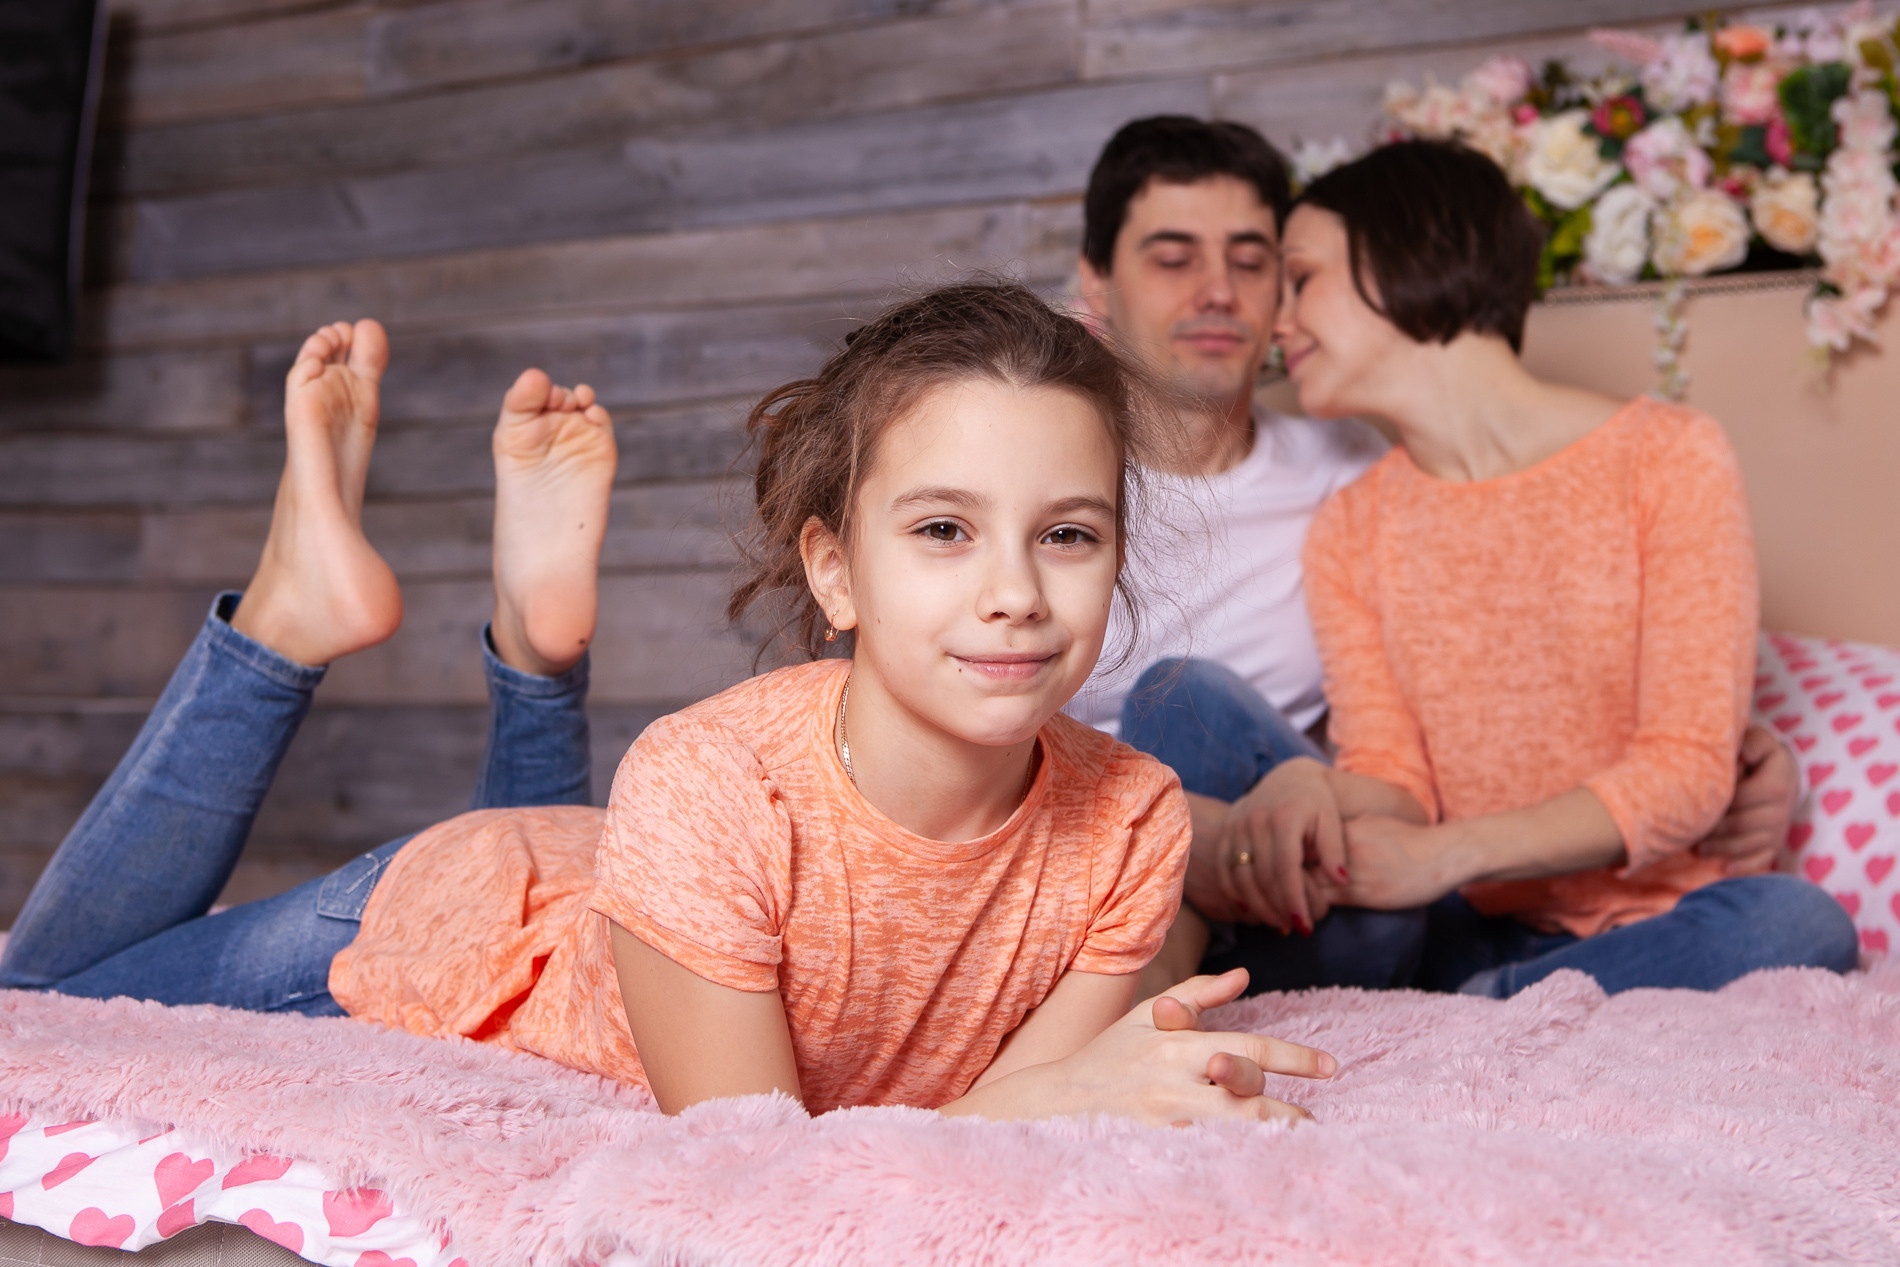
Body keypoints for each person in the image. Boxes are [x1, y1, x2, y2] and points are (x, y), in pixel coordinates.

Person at [0, 287, 1337, 1125]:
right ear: (835, 568)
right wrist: (1060, 1100)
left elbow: (1011, 1100)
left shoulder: (1136, 816)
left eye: (1068, 534)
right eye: (942, 528)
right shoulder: (708, 779)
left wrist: (1070, 1094)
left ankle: (535, 637)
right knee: (29, 998)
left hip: (630, 878)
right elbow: (752, 1175)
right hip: (472, 918)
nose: (1015, 594)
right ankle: (287, 621)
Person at [1065, 116, 1810, 995]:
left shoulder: (1669, 455)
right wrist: (1316, 787)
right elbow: (1393, 774)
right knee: (1181, 688)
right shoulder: (1353, 521)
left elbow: (1684, 766)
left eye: (1291, 277)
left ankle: (1489, 1008)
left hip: (1548, 900)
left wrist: (1432, 851)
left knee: (1797, 920)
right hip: (1423, 907)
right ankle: (1465, 998)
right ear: (1099, 284)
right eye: (1175, 257)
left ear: (1399, 261)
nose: (1274, 315)